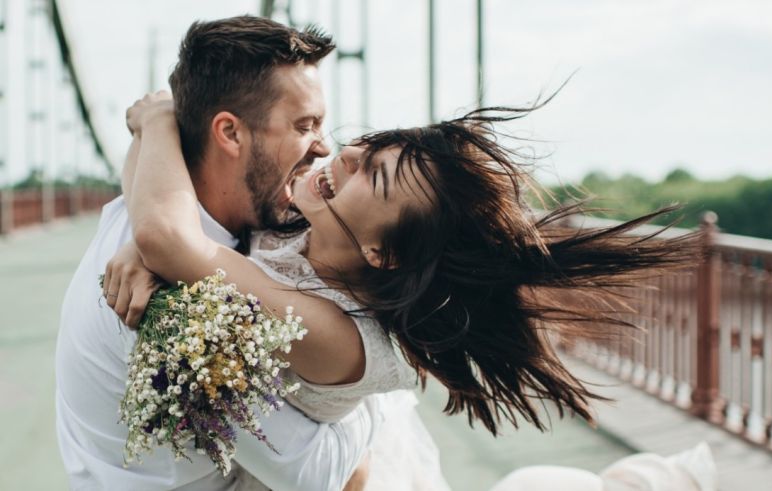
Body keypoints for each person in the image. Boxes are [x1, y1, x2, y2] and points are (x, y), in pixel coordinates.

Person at [107, 78, 700, 487]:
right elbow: (174, 219)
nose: (347, 155)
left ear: (383, 252)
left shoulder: (335, 333)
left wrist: (157, 119)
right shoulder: (302, 219)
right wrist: (142, 243)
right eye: (372, 145)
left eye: (374, 175)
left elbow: (170, 234)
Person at [55, 16, 377, 491]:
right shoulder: (172, 311)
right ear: (229, 133)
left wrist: (157, 123)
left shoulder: (150, 207)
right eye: (304, 125)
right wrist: (378, 393)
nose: (324, 146)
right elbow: (321, 473)